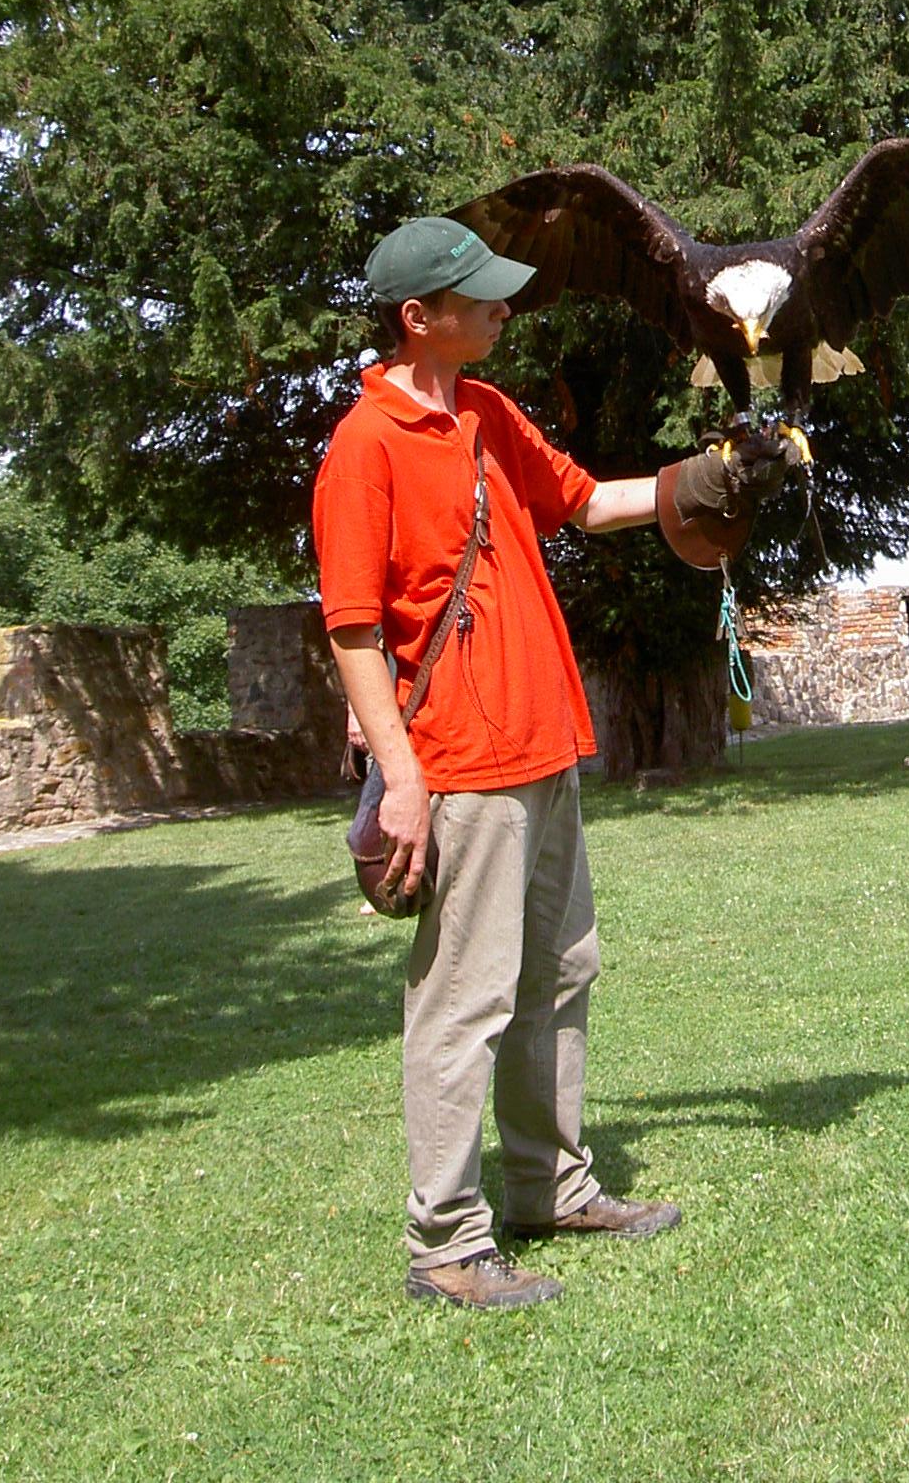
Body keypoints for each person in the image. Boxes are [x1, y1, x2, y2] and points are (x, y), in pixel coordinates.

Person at [314, 214, 783, 1311]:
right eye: (479, 298)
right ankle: (444, 1242)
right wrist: (407, 779)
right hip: (461, 764)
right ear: (417, 319)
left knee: (560, 975)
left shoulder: (484, 412)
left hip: (544, 743)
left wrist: (703, 477)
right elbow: (352, 632)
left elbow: (582, 500)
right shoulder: (364, 447)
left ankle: (551, 1186)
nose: (503, 309)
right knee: (462, 1003)